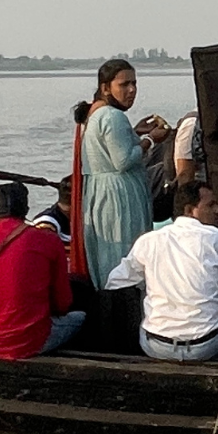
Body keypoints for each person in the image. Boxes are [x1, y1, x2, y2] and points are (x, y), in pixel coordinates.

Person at [104, 181, 218, 363]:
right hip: (206, 346)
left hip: (157, 346)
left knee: (144, 284)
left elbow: (115, 281)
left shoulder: (148, 241)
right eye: (211, 205)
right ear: (190, 210)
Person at [0, 183, 84, 359]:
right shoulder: (49, 241)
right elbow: (62, 303)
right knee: (80, 317)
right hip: (33, 343)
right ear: (25, 210)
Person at [72, 58, 158, 290]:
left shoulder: (94, 114)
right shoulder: (112, 116)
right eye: (124, 85)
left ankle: (110, 303)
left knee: (107, 253)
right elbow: (123, 161)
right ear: (105, 88)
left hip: (99, 192)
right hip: (118, 196)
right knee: (126, 253)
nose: (131, 90)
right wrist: (150, 140)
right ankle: (126, 304)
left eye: (134, 84)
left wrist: (134, 132)